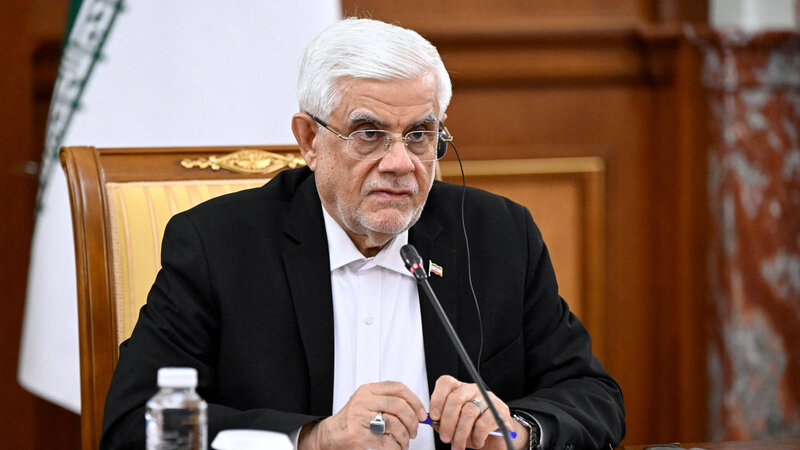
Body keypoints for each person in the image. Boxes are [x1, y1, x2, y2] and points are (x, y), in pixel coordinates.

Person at [101, 17, 625, 450]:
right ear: (309, 140)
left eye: (419, 135)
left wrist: (519, 429)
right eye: (369, 134)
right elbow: (134, 424)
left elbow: (593, 396)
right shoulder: (219, 245)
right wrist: (312, 439)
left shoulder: (497, 235)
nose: (399, 163)